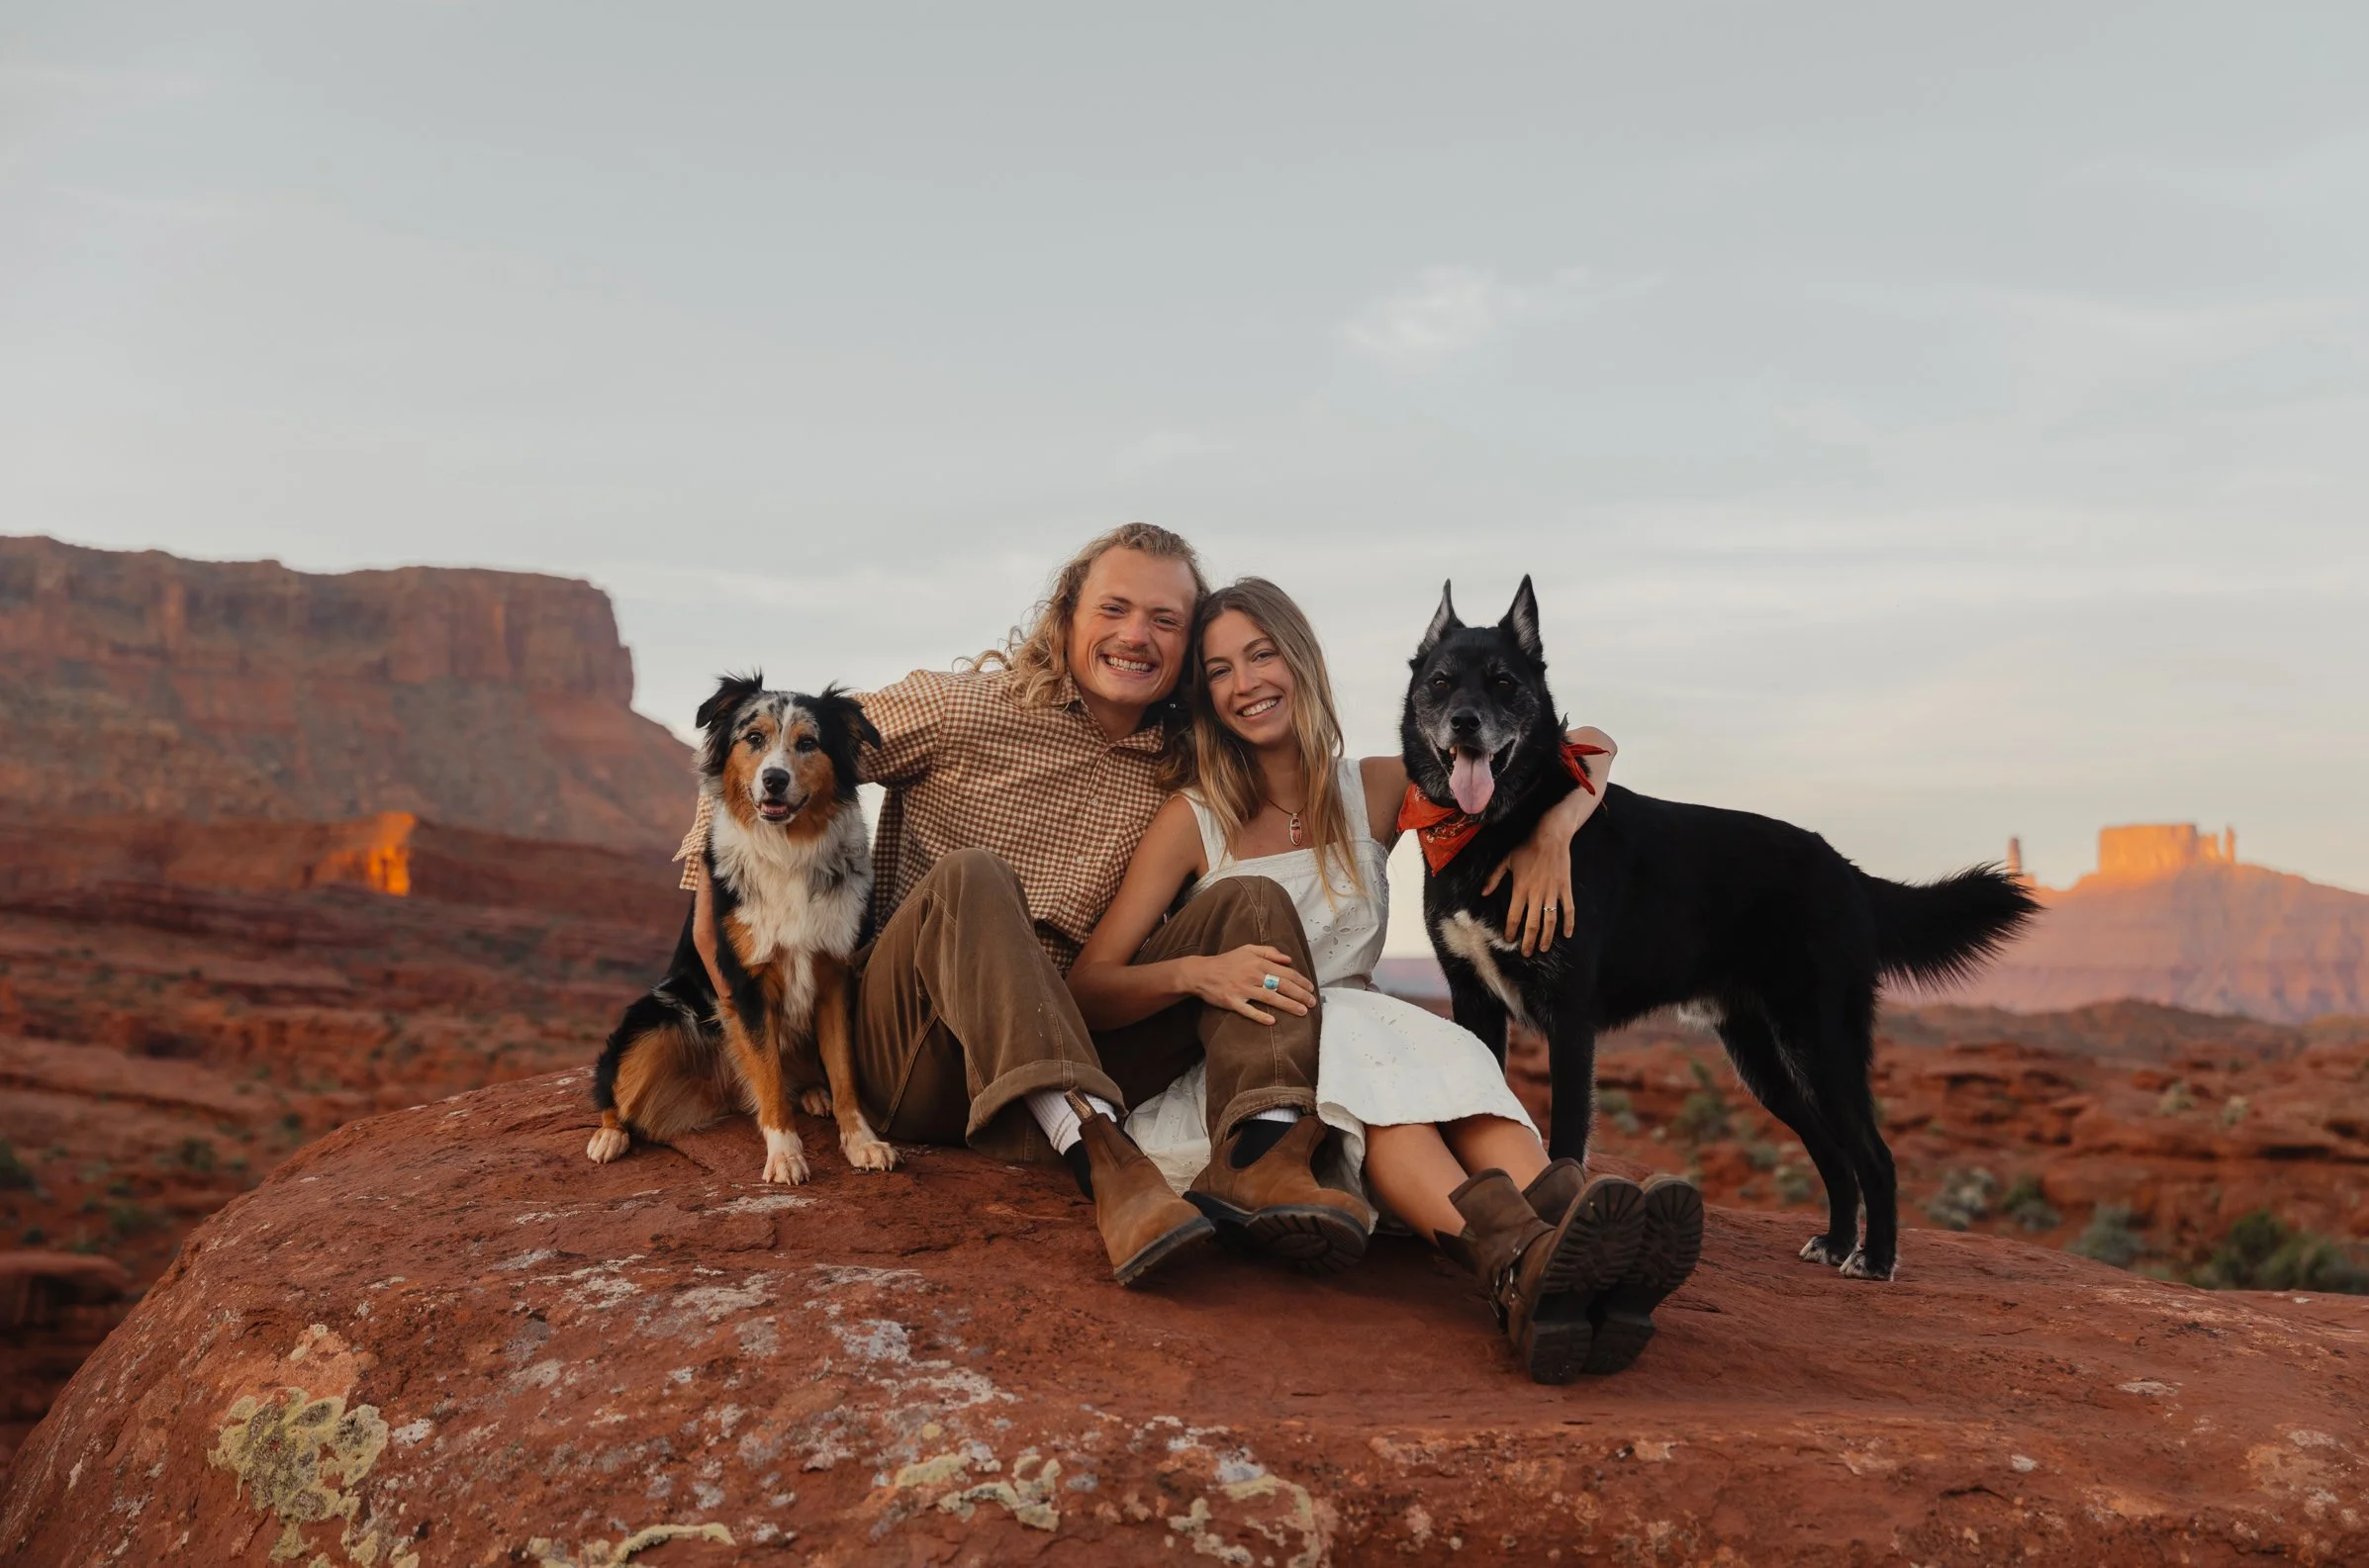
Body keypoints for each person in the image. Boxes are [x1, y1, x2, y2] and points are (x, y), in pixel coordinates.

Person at [674, 523, 1590, 1291]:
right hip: (916, 1051)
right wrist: (718, 921)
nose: (1135, 635)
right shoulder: (961, 710)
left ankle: (1262, 1158)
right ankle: (1111, 1170)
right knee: (975, 877)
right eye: (1113, 609)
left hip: (1072, 1055)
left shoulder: (1185, 763)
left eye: (1165, 619)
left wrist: (1555, 828)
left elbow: (1532, 762)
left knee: (1251, 896)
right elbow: (767, 752)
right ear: (1067, 615)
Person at [1070, 579, 1704, 1381]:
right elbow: (1090, 987)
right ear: (1203, 693)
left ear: (1301, 662)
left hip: (1371, 1039)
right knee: (1382, 1077)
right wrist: (1200, 972)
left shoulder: (1375, 788)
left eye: (1262, 655)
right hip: (1265, 1069)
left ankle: (1572, 1238)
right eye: (1220, 668)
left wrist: (1556, 830)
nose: (1245, 682)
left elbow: (1587, 743)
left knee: (1445, 1067)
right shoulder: (1192, 819)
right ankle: (1518, 1265)